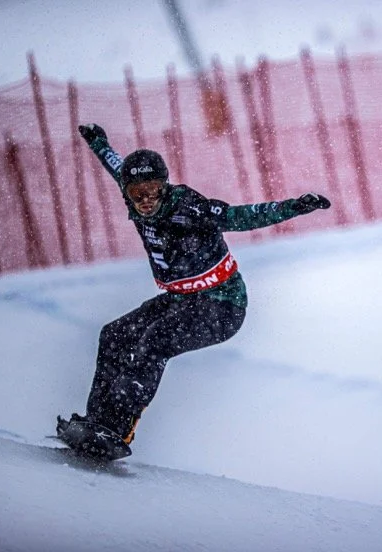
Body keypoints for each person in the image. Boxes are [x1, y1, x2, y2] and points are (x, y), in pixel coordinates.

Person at [57, 123, 331, 447]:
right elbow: (115, 165)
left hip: (223, 305)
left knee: (155, 340)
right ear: (127, 193)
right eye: (137, 194)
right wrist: (98, 140)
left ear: (165, 185)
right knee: (114, 335)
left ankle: (116, 430)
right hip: (183, 299)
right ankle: (96, 422)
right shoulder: (132, 191)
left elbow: (240, 216)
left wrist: (294, 207)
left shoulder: (189, 206)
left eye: (154, 191)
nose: (146, 201)